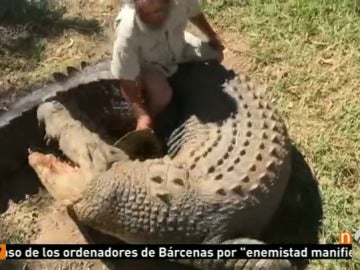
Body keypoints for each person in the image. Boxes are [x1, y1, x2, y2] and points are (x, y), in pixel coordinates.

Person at [111, 0, 224, 131]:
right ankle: (151, 119)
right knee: (162, 96)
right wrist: (141, 115)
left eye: (157, 11)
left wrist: (211, 34)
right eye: (144, 13)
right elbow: (126, 80)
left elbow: (194, 13)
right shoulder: (128, 28)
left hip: (179, 47)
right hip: (149, 64)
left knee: (217, 55)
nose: (151, 17)